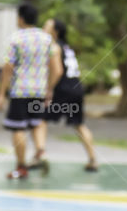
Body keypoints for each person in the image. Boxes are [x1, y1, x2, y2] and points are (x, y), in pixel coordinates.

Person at [0, 2, 61, 179]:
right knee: (37, 122)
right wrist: (49, 89)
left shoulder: (16, 38)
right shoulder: (47, 39)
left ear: (21, 18)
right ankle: (40, 151)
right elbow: (57, 69)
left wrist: (1, 93)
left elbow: (8, 66)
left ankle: (21, 166)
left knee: (18, 128)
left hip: (20, 90)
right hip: (39, 90)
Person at [38, 18, 97, 172]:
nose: (44, 28)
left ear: (55, 32)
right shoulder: (68, 48)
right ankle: (92, 159)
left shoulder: (55, 47)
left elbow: (57, 71)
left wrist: (49, 89)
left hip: (63, 89)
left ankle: (40, 154)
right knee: (79, 124)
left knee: (40, 119)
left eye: (47, 26)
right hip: (77, 88)